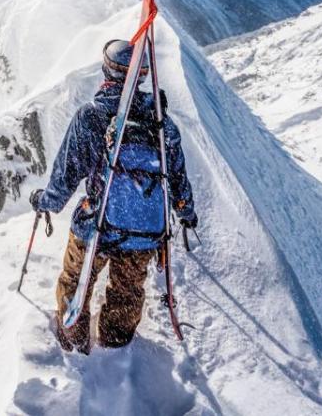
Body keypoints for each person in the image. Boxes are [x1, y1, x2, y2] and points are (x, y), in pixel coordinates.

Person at [29, 39, 197, 354]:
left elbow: (66, 175)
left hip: (97, 225)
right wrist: (186, 211)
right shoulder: (162, 124)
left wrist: (45, 202)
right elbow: (177, 176)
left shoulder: (92, 116)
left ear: (107, 70)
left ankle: (73, 344)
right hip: (144, 232)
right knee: (128, 292)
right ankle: (115, 349)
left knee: (75, 282)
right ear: (143, 76)